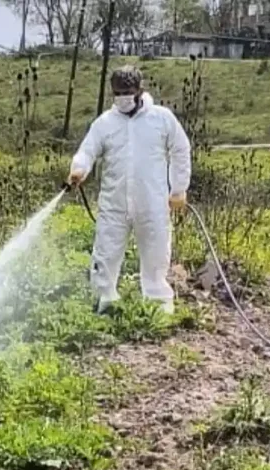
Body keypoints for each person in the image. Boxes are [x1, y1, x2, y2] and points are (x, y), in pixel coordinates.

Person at [68, 65, 191, 315]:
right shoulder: (104, 123)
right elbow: (88, 150)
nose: (123, 96)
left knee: (156, 253)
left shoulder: (161, 118)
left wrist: (179, 189)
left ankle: (158, 304)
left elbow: (181, 149)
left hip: (153, 203)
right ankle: (106, 301)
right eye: (118, 92)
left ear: (140, 90)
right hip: (114, 204)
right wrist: (79, 169)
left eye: (128, 91)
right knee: (105, 252)